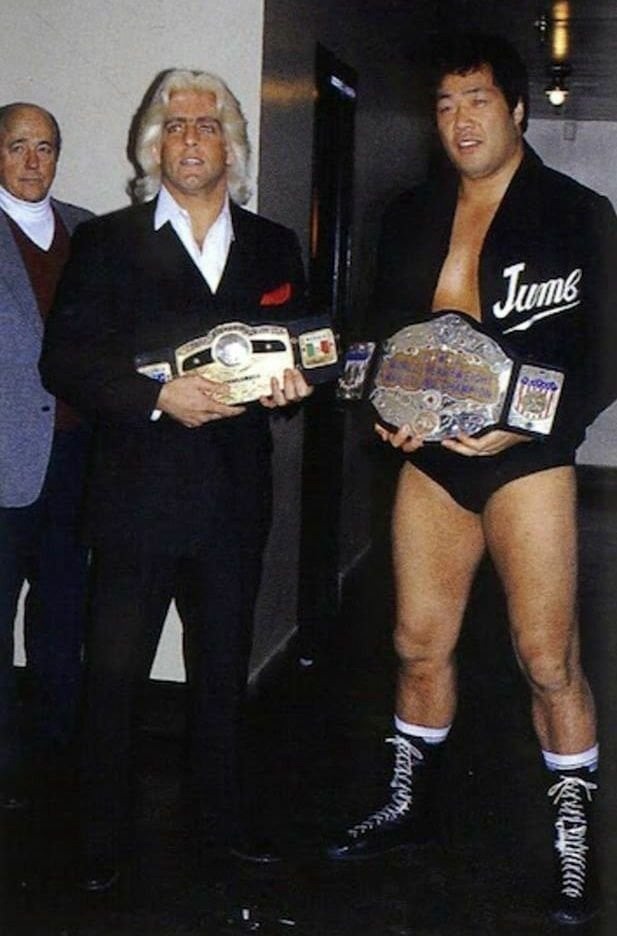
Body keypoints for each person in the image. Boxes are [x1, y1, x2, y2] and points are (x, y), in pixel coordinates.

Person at [325, 33, 617, 927]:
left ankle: (573, 836)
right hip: (432, 461)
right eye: (445, 104)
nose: (460, 120)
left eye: (478, 100)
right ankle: (411, 803)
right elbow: (378, 335)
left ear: (516, 109)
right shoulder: (409, 213)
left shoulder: (576, 212)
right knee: (416, 643)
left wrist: (531, 425)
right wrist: (380, 405)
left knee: (547, 657)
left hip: (526, 462)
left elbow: (605, 351)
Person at [40, 68, 311, 891]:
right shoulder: (105, 242)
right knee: (114, 675)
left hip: (234, 500)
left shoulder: (273, 245)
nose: (191, 138)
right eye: (176, 126)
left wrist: (295, 386)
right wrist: (157, 396)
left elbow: (302, 348)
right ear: (151, 147)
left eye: (207, 124)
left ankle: (222, 825)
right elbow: (66, 361)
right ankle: (100, 840)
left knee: (223, 672)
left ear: (232, 145)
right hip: (135, 496)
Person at [0, 103, 92, 812]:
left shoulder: (89, 232)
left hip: (81, 459)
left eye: (46, 147)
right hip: (4, 461)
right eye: (17, 147)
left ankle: (57, 755)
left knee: (65, 614)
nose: (33, 161)